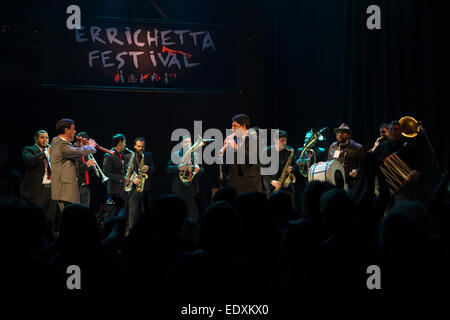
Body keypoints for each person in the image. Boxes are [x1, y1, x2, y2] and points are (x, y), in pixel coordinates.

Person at [49, 119, 96, 212]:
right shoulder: (61, 144)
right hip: (65, 190)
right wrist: (90, 147)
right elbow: (76, 152)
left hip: (65, 190)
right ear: (67, 130)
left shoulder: (57, 141)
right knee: (71, 220)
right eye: (73, 129)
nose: (75, 132)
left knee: (70, 220)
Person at [21, 130, 57, 224]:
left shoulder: (51, 151)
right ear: (36, 139)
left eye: (47, 138)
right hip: (37, 189)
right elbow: (30, 160)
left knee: (50, 218)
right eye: (42, 137)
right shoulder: (29, 149)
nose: (45, 140)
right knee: (35, 218)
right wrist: (45, 153)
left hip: (52, 189)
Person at [221, 114, 263, 195]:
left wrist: (236, 147)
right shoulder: (234, 140)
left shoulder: (254, 139)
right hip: (235, 182)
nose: (232, 128)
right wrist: (225, 148)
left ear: (243, 126)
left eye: (235, 126)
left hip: (249, 183)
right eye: (232, 125)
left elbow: (252, 158)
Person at [167, 135, 204, 223]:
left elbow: (202, 170)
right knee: (178, 212)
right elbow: (168, 169)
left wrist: (198, 170)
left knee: (193, 212)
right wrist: (178, 168)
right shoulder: (175, 155)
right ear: (181, 144)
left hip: (192, 187)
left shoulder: (196, 155)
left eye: (189, 142)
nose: (188, 144)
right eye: (185, 142)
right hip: (179, 187)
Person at [125, 137, 155, 228]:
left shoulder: (148, 155)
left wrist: (148, 168)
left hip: (145, 188)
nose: (140, 149)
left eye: (142, 147)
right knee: (133, 213)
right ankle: (131, 232)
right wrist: (132, 179)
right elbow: (124, 173)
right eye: (138, 146)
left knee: (145, 212)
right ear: (134, 146)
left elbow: (154, 169)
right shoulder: (128, 156)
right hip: (133, 188)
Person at [261, 130, 296, 206]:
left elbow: (295, 165)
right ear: (275, 140)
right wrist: (271, 181)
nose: (285, 143)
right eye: (282, 141)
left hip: (286, 185)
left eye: (286, 140)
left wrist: (292, 168)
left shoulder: (289, 150)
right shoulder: (267, 152)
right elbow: (263, 169)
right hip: (272, 186)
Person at [327, 123, 364, 189]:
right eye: (338, 133)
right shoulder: (332, 147)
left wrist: (357, 172)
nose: (340, 134)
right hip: (335, 183)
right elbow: (328, 163)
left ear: (348, 135)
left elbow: (364, 166)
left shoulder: (357, 148)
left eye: (342, 132)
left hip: (351, 184)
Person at [103, 133, 127, 221]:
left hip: (120, 190)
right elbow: (106, 173)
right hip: (111, 191)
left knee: (119, 213)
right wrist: (121, 179)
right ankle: (106, 231)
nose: (125, 145)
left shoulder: (121, 155)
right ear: (120, 142)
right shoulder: (108, 155)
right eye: (124, 142)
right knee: (110, 212)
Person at [75, 132, 95, 208]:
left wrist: (91, 166)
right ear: (80, 142)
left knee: (85, 212)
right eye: (85, 143)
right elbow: (75, 170)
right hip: (78, 187)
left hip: (86, 186)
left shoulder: (85, 152)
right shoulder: (74, 151)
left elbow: (86, 169)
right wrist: (86, 165)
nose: (87, 145)